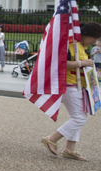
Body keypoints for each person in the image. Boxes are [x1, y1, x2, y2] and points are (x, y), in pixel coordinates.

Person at [41, 22, 101, 160]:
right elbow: (60, 63)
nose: (95, 41)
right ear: (86, 35)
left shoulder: (81, 47)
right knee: (79, 118)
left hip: (77, 86)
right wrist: (82, 63)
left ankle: (70, 148)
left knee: (78, 116)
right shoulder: (71, 46)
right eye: (94, 38)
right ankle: (52, 139)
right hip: (69, 85)